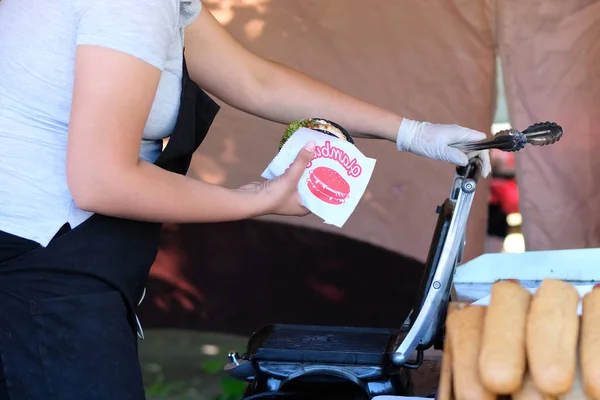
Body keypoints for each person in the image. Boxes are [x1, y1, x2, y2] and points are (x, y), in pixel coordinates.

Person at [0, 0, 491, 398]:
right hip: (40, 267)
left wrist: (413, 132)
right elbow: (99, 180)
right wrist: (254, 200)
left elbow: (255, 80)